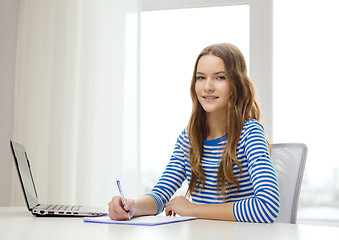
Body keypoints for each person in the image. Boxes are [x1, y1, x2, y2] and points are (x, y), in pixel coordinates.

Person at [108, 43, 280, 223]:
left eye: (220, 77)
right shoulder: (188, 139)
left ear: (236, 84)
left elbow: (267, 207)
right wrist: (132, 206)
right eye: (200, 77)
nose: (208, 87)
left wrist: (192, 209)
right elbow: (159, 195)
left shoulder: (250, 134)